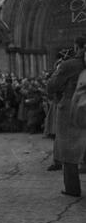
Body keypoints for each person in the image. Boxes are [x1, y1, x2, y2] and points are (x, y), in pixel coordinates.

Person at [47, 36, 86, 197]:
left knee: (69, 148)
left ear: (77, 48)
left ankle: (72, 188)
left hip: (73, 107)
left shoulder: (69, 65)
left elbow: (52, 85)